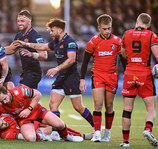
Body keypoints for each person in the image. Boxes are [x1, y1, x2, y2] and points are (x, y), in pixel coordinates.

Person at [14, 18, 94, 128]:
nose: (50, 33)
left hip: (71, 77)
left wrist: (56, 69)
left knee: (78, 107)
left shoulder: (69, 42)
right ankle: (58, 132)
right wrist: (26, 44)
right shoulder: (56, 42)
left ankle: (96, 128)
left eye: (52, 30)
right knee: (53, 104)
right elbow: (43, 46)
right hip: (61, 77)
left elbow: (71, 59)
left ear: (60, 30)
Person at [79, 14, 126, 142]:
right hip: (98, 75)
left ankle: (107, 134)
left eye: (109, 28)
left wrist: (127, 76)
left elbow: (123, 61)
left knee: (109, 106)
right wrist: (82, 79)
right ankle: (97, 134)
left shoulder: (117, 41)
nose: (107, 31)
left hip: (112, 76)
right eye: (104, 29)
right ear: (99, 28)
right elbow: (84, 62)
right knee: (98, 105)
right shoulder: (93, 42)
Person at [0, 85, 83, 142]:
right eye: (2, 101)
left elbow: (38, 94)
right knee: (30, 139)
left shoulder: (20, 91)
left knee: (60, 124)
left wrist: (29, 109)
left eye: (5, 98)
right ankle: (42, 135)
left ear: (7, 92)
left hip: (37, 111)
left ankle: (67, 137)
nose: (5, 102)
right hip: (24, 120)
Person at [120, 13, 158, 147]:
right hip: (145, 74)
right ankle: (148, 129)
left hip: (129, 73)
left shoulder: (126, 34)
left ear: (137, 21)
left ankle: (125, 142)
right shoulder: (152, 35)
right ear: (148, 24)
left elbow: (123, 54)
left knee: (127, 109)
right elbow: (157, 55)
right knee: (151, 108)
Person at [5, 10, 47, 89]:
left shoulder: (36, 36)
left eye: (22, 21)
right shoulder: (19, 35)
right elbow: (11, 50)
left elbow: (44, 55)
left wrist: (31, 54)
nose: (20, 23)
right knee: (26, 99)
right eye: (18, 21)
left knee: (22, 95)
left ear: (29, 22)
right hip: (25, 72)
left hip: (33, 72)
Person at [0, 113, 94, 141]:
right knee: (54, 129)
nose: (4, 123)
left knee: (57, 124)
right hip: (34, 131)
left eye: (2, 121)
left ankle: (79, 135)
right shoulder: (6, 134)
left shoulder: (3, 117)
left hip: (33, 122)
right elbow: (22, 137)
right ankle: (83, 136)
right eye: (2, 125)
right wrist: (41, 135)